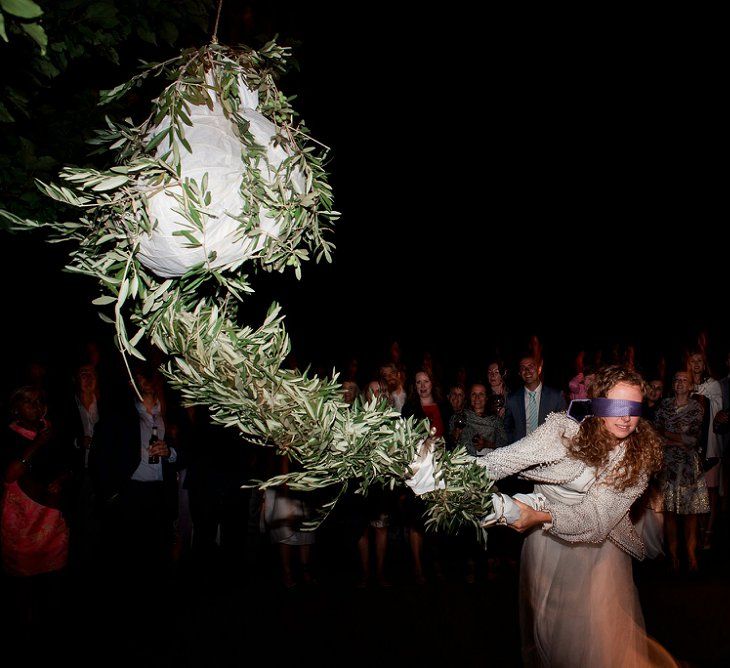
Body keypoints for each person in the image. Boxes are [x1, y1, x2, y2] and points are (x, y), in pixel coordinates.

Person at [408, 365, 670, 666]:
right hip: (547, 544)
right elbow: (506, 459)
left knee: (592, 631)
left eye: (634, 408)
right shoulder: (564, 429)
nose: (626, 418)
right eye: (617, 406)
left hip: (597, 549)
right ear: (597, 404)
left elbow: (594, 518)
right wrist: (443, 474)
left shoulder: (638, 457)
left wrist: (540, 516)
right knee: (549, 625)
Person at [654, 371, 708, 572]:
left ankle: (691, 553)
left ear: (691, 385)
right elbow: (655, 432)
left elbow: (693, 439)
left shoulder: (696, 408)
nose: (680, 383)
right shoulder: (665, 405)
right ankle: (674, 555)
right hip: (668, 466)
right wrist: (677, 438)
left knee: (690, 514)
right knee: (669, 513)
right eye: (676, 379)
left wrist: (668, 436)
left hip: (688, 468)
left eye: (684, 380)